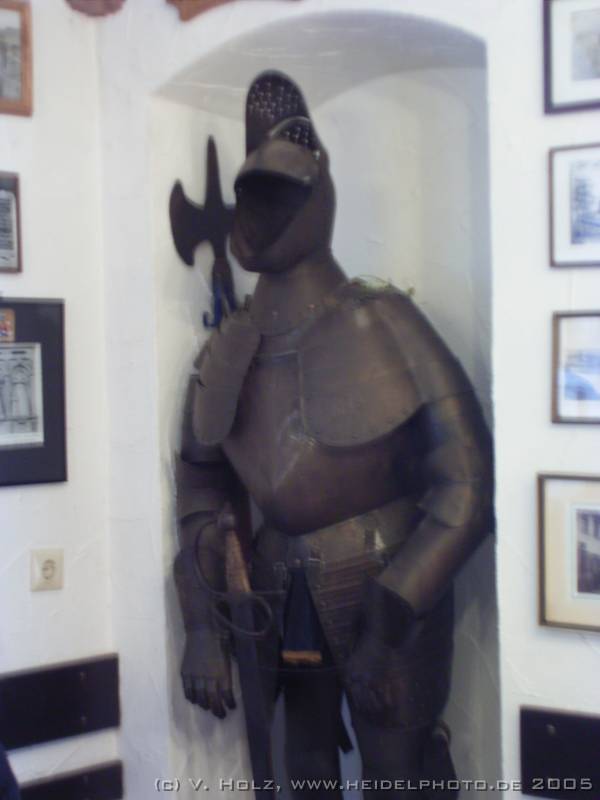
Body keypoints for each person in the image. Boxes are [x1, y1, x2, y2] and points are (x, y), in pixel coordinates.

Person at [173, 71, 493, 799]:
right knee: (305, 769)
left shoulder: (386, 320)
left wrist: (394, 610)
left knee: (400, 774)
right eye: (258, 196)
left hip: (386, 574)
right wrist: (201, 623)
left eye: (282, 194)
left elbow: (467, 484)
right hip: (277, 587)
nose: (265, 215)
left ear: (318, 193)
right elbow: (200, 482)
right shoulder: (230, 344)